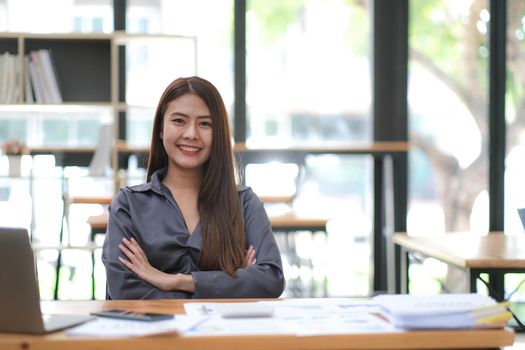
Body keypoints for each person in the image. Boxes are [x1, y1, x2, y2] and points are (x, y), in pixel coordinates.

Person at [102, 76, 285, 299]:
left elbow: (270, 279)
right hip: (153, 333)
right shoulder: (129, 204)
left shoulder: (244, 203)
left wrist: (175, 281)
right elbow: (125, 291)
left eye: (205, 124)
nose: (191, 134)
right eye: (179, 121)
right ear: (161, 129)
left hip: (224, 334)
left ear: (218, 134)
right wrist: (233, 285)